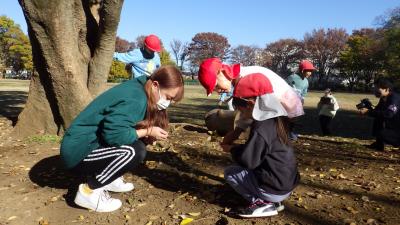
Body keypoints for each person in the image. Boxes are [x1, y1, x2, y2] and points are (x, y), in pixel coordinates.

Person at [60, 66, 184, 212]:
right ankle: (90, 191)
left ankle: (108, 179)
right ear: (156, 85)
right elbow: (114, 136)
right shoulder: (136, 98)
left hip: (89, 143)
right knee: (134, 151)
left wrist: (144, 133)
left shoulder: (143, 87)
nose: (168, 103)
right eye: (168, 97)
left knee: (137, 143)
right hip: (77, 153)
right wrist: (147, 131)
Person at [221, 74, 300, 218]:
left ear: (250, 104)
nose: (243, 115)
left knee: (231, 173)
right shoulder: (277, 119)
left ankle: (262, 203)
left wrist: (231, 149)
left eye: (242, 110)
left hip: (275, 188)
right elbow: (260, 152)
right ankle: (273, 201)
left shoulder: (261, 127)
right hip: (286, 183)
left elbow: (248, 161)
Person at [198, 57, 304, 146]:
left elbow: (250, 111)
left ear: (221, 72)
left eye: (216, 85)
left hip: (284, 106)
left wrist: (235, 134)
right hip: (283, 106)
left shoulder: (245, 80)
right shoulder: (242, 73)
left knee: (269, 141)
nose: (218, 91)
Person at [359, 78, 400, 151]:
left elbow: (389, 114)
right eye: (374, 88)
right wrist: (369, 107)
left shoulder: (394, 98)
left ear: (387, 89)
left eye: (378, 88)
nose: (375, 91)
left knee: (381, 133)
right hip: (393, 126)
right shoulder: (383, 98)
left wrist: (368, 112)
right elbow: (378, 111)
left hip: (397, 129)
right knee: (378, 119)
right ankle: (379, 144)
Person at [286, 60, 316, 140]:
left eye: (311, 71)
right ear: (303, 70)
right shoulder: (292, 77)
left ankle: (290, 132)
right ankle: (285, 133)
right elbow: (284, 87)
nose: (310, 73)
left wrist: (302, 100)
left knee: (295, 118)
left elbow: (304, 92)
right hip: (288, 101)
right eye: (308, 71)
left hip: (297, 103)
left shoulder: (306, 81)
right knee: (287, 118)